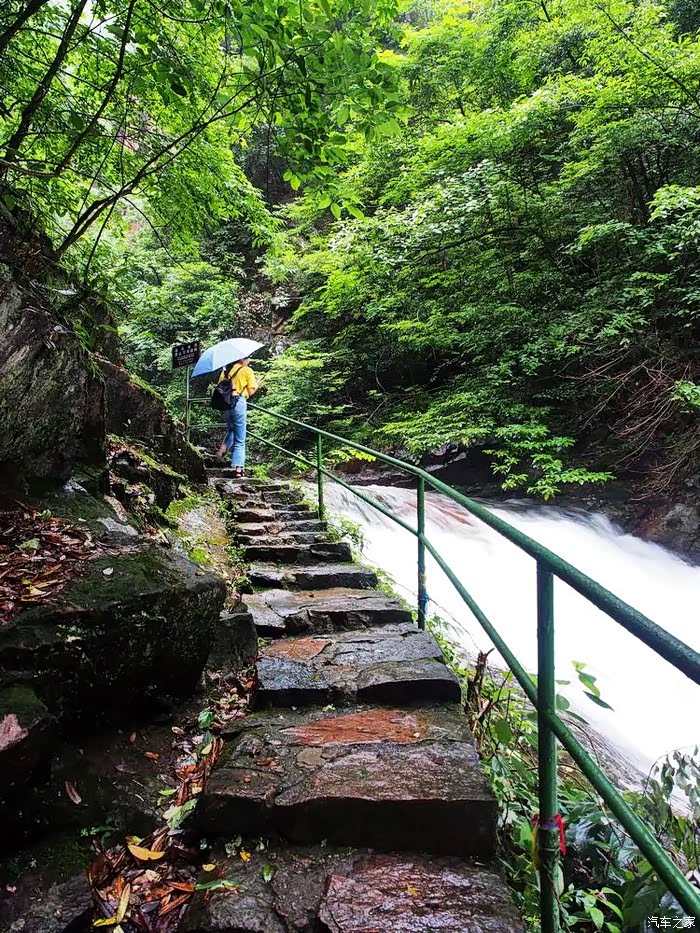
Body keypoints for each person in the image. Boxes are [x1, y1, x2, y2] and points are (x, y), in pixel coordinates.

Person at [216, 357, 258, 476]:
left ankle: (222, 449)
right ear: (241, 359)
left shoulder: (225, 372)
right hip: (238, 402)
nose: (249, 360)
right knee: (240, 438)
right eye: (247, 358)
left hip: (226, 404)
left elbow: (219, 388)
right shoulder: (246, 370)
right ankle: (238, 469)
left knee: (232, 430)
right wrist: (257, 384)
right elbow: (251, 392)